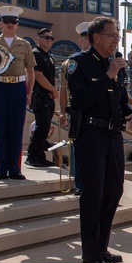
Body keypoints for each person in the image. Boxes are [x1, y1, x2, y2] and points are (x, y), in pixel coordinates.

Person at [66, 17, 132, 263]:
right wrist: (108, 76)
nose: (115, 41)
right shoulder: (78, 64)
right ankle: (90, 256)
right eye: (112, 36)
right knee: (93, 194)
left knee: (114, 191)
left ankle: (101, 247)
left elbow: (121, 101)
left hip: (113, 135)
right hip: (90, 135)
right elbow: (81, 100)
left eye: (117, 36)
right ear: (96, 37)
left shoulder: (115, 64)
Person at [0, 6, 35, 181]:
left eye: (14, 22)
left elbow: (30, 70)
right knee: (0, 127)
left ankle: (15, 168)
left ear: (17, 25)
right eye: (7, 21)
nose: (10, 25)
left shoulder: (25, 44)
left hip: (18, 87)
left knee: (16, 128)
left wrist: (29, 92)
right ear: (1, 23)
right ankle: (1, 168)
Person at [58, 22, 92, 195]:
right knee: (79, 149)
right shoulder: (70, 63)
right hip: (78, 112)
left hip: (97, 111)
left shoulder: (102, 61)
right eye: (85, 38)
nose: (89, 41)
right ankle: (80, 184)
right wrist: (63, 112)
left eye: (90, 37)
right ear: (80, 40)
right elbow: (63, 89)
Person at [26, 28, 57, 167]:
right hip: (39, 95)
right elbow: (38, 75)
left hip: (48, 96)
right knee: (42, 126)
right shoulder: (36, 54)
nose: (49, 40)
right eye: (46, 37)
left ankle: (40, 156)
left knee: (45, 127)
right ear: (38, 38)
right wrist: (53, 90)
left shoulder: (49, 56)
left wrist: (52, 90)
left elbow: (51, 77)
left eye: (51, 38)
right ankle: (32, 155)